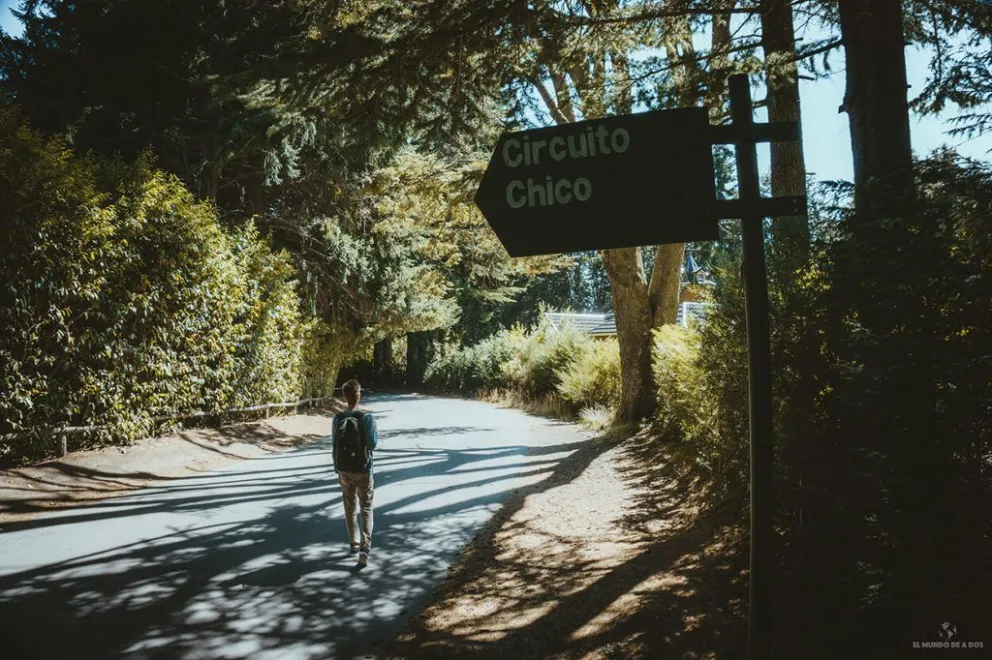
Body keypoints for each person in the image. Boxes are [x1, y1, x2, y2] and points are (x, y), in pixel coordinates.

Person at [331, 379, 378, 567]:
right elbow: (372, 444)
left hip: (344, 469)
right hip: (364, 469)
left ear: (344, 397)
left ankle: (354, 542)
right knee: (366, 507)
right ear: (359, 395)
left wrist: (337, 468)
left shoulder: (337, 419)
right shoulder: (366, 418)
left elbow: (334, 444)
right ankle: (365, 549)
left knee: (349, 507)